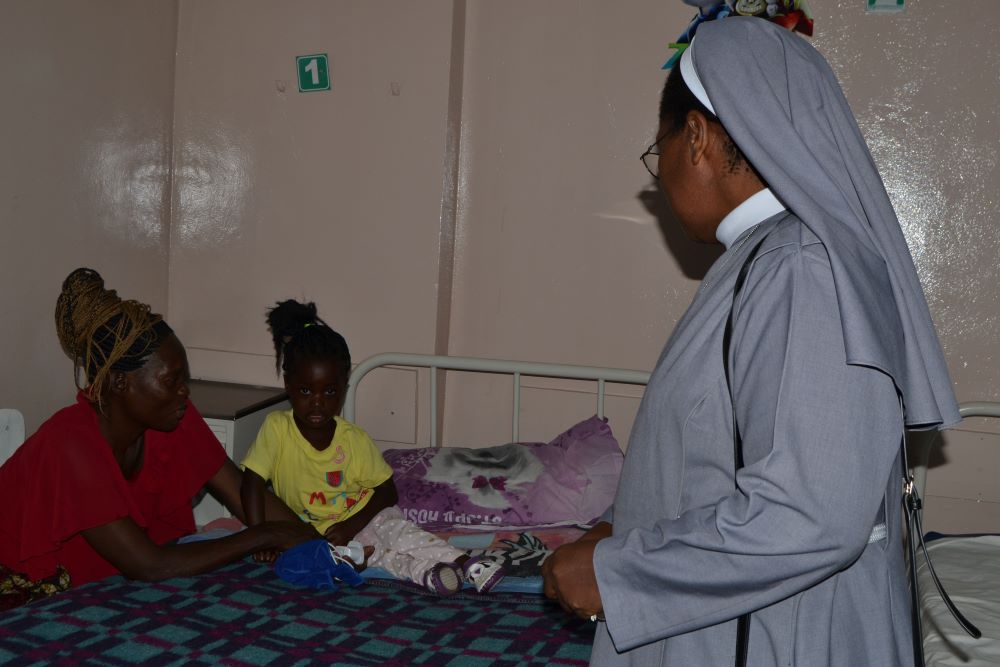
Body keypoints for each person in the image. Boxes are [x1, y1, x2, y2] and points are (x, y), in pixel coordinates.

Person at [542, 17, 960, 666]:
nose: (661, 179)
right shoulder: (774, 261)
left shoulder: (801, 268)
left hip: (775, 631)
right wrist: (630, 533)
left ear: (699, 137)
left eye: (662, 151)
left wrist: (620, 570)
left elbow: (810, 513)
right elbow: (729, 461)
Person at [0, 268, 317, 608]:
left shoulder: (172, 416)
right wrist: (263, 535)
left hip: (109, 592)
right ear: (121, 383)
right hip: (24, 591)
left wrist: (322, 548)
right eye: (171, 380)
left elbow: (238, 489)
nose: (184, 391)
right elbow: (148, 565)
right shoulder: (70, 444)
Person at [240, 299, 505, 595]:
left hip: (366, 515)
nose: (317, 402)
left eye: (329, 391)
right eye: (305, 391)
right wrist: (258, 535)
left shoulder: (353, 440)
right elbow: (251, 484)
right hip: (323, 536)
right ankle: (428, 574)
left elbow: (387, 491)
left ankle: (466, 562)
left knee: (399, 534)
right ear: (288, 385)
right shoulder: (277, 429)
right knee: (377, 559)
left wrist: (351, 525)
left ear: (344, 387)